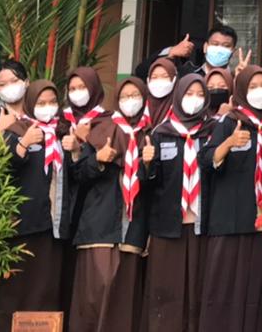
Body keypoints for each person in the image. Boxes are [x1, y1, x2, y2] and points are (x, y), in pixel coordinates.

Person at [0, 78, 75, 332]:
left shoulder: (63, 133)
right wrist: (23, 144)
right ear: (30, 103)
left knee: (45, 290)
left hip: (52, 227)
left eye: (52, 102)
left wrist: (76, 150)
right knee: (13, 292)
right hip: (21, 226)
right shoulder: (17, 129)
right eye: (41, 102)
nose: (47, 107)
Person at [71, 76, 151, 332]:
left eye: (135, 96)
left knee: (124, 300)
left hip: (132, 230)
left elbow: (157, 185)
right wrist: (99, 160)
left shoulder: (151, 133)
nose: (130, 101)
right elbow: (79, 174)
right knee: (94, 296)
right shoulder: (101, 129)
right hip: (99, 227)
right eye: (125, 96)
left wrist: (149, 165)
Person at [199, 65, 262, 332]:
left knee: (255, 290)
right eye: (253, 87)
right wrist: (229, 143)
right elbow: (206, 160)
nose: (260, 91)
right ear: (241, 90)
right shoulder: (230, 121)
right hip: (230, 221)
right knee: (224, 287)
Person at [144, 73, 213, 332]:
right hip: (168, 223)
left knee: (198, 287)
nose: (194, 99)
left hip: (202, 223)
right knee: (167, 289)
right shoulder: (161, 133)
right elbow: (150, 182)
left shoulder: (212, 131)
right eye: (189, 94)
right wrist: (147, 164)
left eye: (200, 95)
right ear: (178, 96)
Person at [135, 22, 241, 80]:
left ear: (233, 51)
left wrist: (240, 79)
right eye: (215, 44)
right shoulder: (185, 73)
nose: (219, 49)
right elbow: (141, 73)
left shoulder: (236, 79)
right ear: (205, 47)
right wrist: (171, 51)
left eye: (226, 46)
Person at [146, 56, 179, 125]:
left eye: (165, 76)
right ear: (148, 80)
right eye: (154, 77)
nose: (159, 81)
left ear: (174, 79)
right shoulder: (141, 105)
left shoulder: (179, 107)